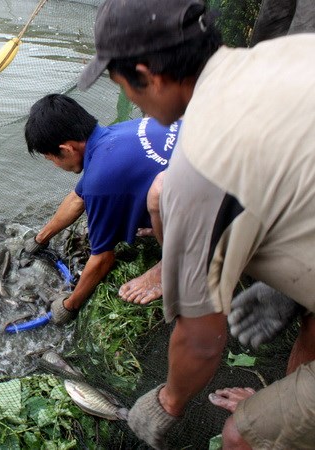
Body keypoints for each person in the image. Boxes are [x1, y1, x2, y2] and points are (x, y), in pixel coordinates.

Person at [78, 0, 315, 448]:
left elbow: (203, 342)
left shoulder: (200, 166)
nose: (130, 100)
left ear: (149, 75)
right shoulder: (286, 54)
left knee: (241, 436)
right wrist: (288, 291)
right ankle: (291, 390)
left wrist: (168, 402)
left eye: (124, 85)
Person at [23, 94, 180, 324]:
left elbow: (103, 258)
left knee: (159, 191)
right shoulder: (114, 135)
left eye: (51, 159)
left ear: (66, 149)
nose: (55, 165)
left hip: (234, 207)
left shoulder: (101, 179)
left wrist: (70, 305)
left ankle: (174, 267)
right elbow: (78, 199)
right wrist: (40, 239)